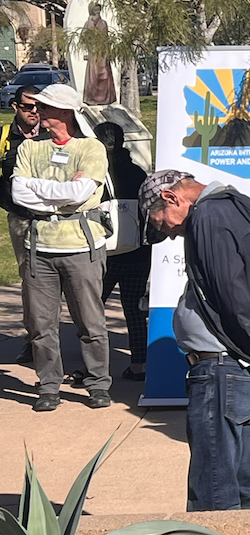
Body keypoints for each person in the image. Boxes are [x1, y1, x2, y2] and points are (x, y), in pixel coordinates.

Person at [139, 169, 250, 510]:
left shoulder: (210, 217)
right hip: (234, 367)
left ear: (172, 198)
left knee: (215, 482)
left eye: (160, 222)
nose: (168, 234)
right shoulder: (231, 206)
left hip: (220, 369)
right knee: (245, 478)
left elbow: (233, 297)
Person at [11, 84, 110, 412]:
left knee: (90, 322)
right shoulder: (29, 149)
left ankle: (98, 383)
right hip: (39, 247)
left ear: (66, 112)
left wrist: (41, 189)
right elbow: (18, 193)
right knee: (41, 325)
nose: (38, 110)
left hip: (82, 246)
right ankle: (49, 386)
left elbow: (82, 193)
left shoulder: (91, 148)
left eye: (46, 106)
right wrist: (60, 190)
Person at [94, 122, 150, 381]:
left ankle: (91, 365)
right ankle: (139, 363)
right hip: (138, 248)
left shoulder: (97, 173)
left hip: (107, 250)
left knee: (92, 308)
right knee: (134, 308)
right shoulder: (137, 172)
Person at [0, 84, 50, 364]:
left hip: (55, 220)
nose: (35, 112)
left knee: (62, 279)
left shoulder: (52, 135)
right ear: (16, 107)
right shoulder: (6, 137)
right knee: (30, 281)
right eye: (29, 107)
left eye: (39, 107)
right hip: (20, 219)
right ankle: (34, 339)